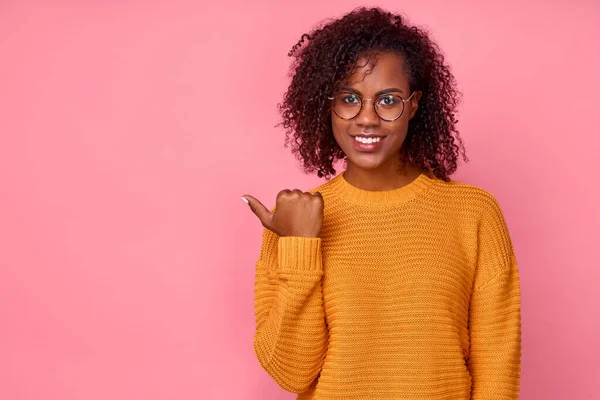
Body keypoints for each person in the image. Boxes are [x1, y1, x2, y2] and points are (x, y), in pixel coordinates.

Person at [241, 7, 522, 400]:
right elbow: (292, 373)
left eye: (387, 100)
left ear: (414, 104)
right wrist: (300, 247)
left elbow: (497, 371)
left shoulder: (474, 213)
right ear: (328, 105)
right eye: (349, 99)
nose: (367, 119)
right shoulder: (295, 219)